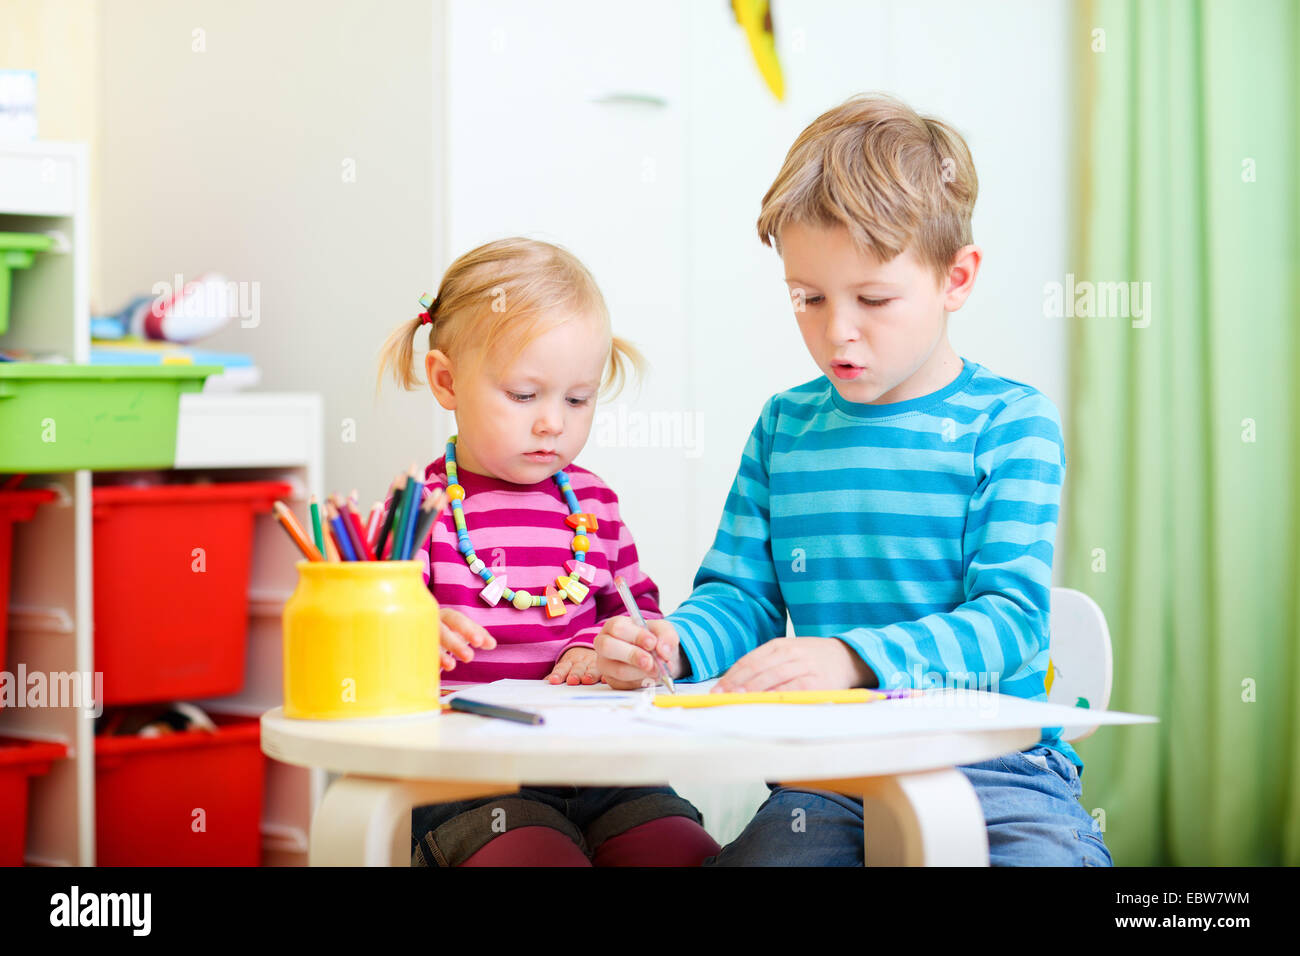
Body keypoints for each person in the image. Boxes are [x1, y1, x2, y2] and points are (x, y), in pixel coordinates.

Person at [594, 94, 1113, 867]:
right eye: (807, 298)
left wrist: (850, 657)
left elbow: (1011, 625)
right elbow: (743, 596)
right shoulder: (785, 427)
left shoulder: (1009, 424)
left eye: (872, 299)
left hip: (998, 772)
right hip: (829, 780)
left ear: (956, 277)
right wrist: (675, 644)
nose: (837, 329)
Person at [376, 237, 720, 867]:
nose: (552, 423)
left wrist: (620, 648)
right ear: (447, 381)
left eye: (577, 399)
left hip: (604, 770)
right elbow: (364, 641)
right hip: (473, 783)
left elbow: (642, 626)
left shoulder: (596, 504)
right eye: (524, 395)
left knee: (685, 851)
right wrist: (408, 635)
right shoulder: (418, 511)